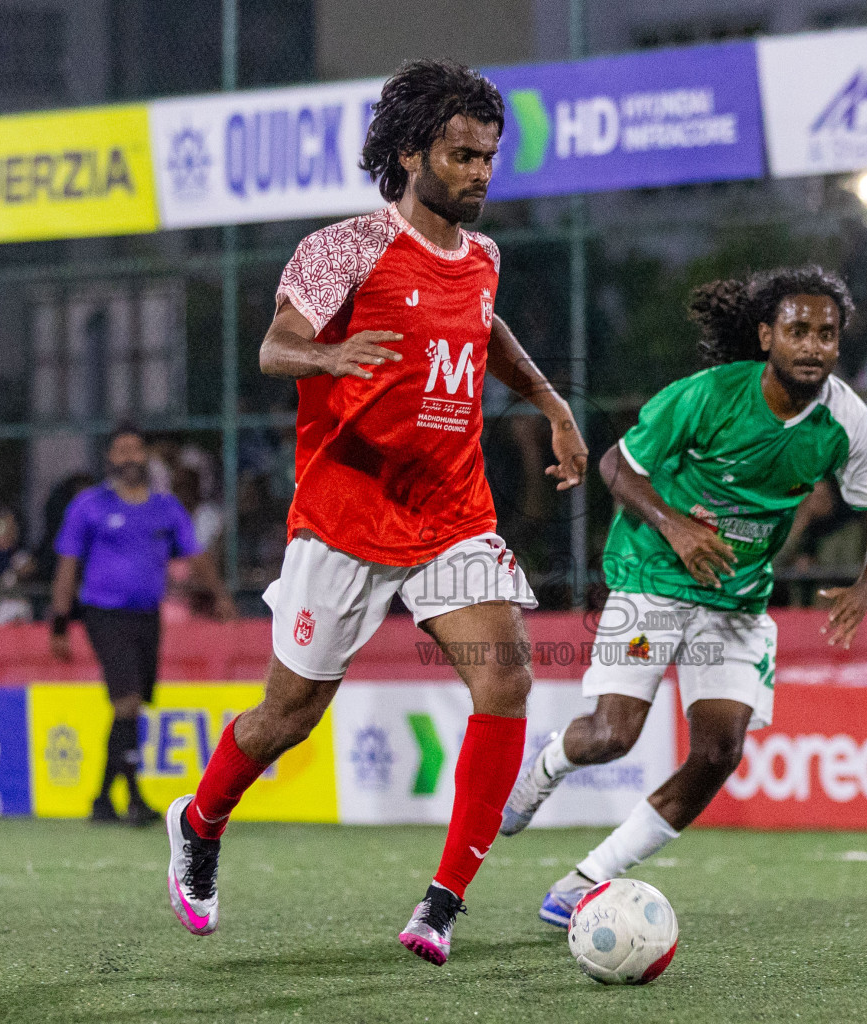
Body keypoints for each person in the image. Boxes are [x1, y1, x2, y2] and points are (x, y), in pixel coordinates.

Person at [162, 59, 589, 965]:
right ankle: (200, 820)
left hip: (450, 514)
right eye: (462, 155)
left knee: (506, 679)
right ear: (411, 154)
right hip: (346, 517)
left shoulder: (484, 258)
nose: (479, 172)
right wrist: (332, 356)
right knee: (289, 716)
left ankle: (441, 904)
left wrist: (551, 404)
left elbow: (488, 331)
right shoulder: (344, 248)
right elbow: (278, 344)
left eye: (488, 156)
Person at [497, 266, 867, 926]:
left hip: (737, 599)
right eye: (799, 330)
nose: (813, 346)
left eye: (827, 335)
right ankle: (546, 766)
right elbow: (616, 467)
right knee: (612, 736)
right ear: (768, 334)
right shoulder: (710, 395)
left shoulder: (846, 420)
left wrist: (865, 586)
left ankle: (584, 882)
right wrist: (676, 527)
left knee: (719, 752)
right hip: (652, 573)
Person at [49, 424, 237, 826]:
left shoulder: (166, 508)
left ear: (146, 457)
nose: (129, 457)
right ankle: (133, 799)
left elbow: (196, 555)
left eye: (136, 450)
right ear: (109, 458)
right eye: (121, 450)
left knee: (132, 708)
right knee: (127, 701)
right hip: (103, 614)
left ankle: (103, 799)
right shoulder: (89, 505)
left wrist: (219, 594)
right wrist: (59, 622)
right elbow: (68, 564)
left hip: (147, 615)